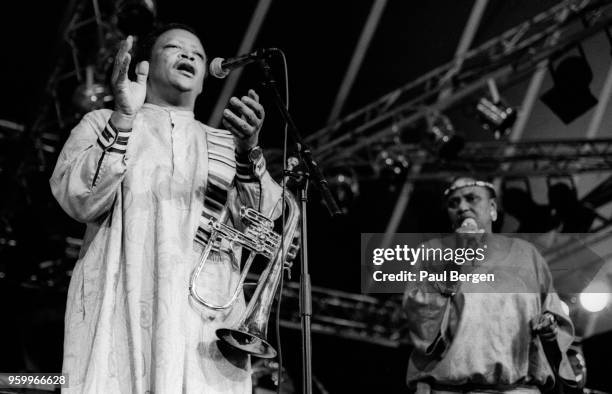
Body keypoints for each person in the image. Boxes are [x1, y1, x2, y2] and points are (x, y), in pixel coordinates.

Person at [50, 23, 282, 393]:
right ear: (144, 65)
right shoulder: (101, 122)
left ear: (206, 77)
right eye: (174, 47)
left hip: (204, 324)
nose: (188, 55)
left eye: (199, 54)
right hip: (121, 305)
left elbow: (265, 223)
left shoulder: (225, 143)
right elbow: (77, 197)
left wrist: (249, 151)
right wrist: (123, 115)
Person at [403, 177, 580, 393]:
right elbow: (421, 318)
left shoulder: (527, 255)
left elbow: (554, 316)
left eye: (471, 199)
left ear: (493, 209)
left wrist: (550, 326)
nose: (462, 207)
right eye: (453, 203)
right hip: (452, 388)